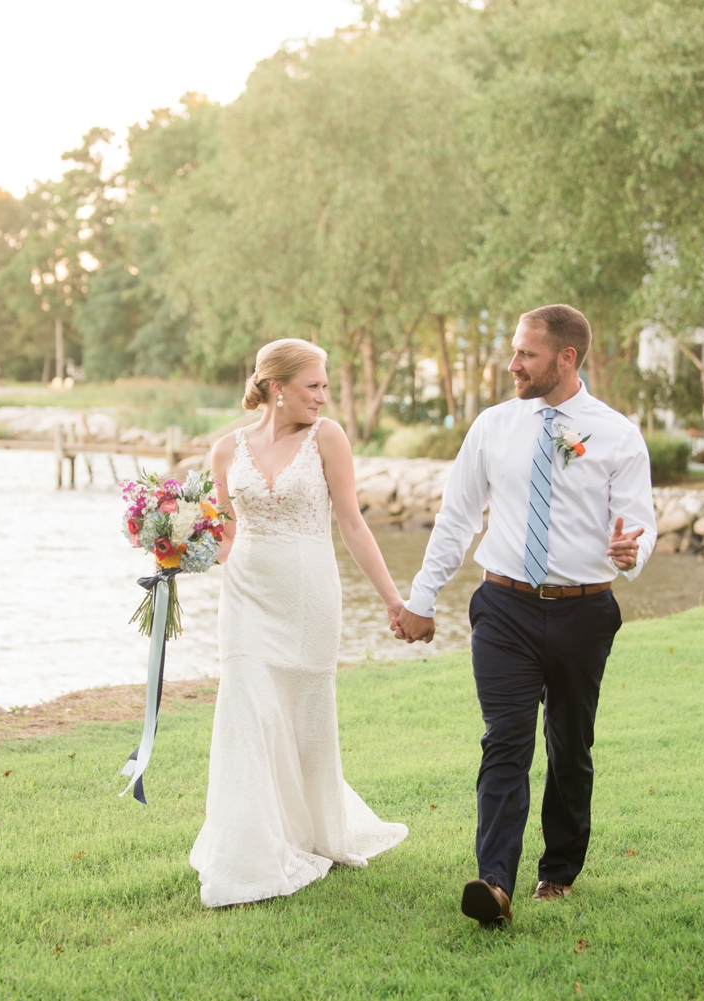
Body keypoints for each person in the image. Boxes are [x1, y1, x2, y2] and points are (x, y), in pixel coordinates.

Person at [393, 304, 656, 928]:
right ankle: (495, 884)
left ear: (565, 359)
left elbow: (638, 521)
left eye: (527, 355)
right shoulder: (493, 426)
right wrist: (421, 599)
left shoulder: (617, 433)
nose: (513, 364)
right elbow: (457, 519)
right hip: (504, 607)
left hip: (584, 611)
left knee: (570, 745)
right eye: (515, 352)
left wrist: (632, 551)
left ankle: (559, 871)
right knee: (504, 742)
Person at [189, 338, 409, 908]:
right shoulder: (225, 449)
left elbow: (353, 525)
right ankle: (248, 853)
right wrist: (174, 546)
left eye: (325, 386)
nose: (322, 396)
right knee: (248, 712)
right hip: (245, 597)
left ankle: (311, 832)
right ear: (277, 388)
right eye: (314, 386)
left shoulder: (327, 438)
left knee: (302, 718)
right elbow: (225, 534)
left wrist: (392, 599)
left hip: (309, 593)